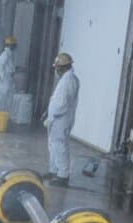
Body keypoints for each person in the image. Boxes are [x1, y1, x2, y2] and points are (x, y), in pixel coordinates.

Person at [45, 52, 79, 186]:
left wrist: (52, 115)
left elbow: (62, 103)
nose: (56, 70)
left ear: (63, 67)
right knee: (53, 145)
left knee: (60, 146)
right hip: (58, 118)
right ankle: (54, 170)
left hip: (61, 118)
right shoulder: (66, 79)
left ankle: (63, 175)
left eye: (57, 67)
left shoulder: (68, 80)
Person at [0, 36, 17, 113]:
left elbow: (10, 68)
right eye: (14, 45)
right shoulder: (5, 55)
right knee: (2, 99)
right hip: (5, 81)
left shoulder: (10, 55)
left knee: (7, 100)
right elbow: (0, 67)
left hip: (8, 80)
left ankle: (4, 115)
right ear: (11, 45)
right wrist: (3, 79)